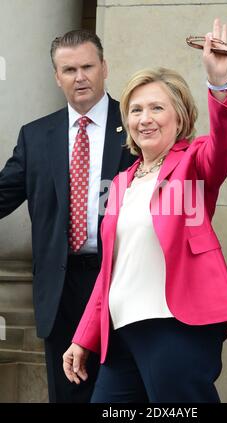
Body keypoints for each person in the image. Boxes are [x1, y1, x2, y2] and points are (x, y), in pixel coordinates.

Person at [62, 19, 227, 403]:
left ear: (178, 117)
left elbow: (224, 144)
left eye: (157, 108)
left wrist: (218, 83)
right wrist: (84, 337)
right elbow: (111, 272)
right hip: (120, 334)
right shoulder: (122, 182)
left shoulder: (194, 163)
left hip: (175, 326)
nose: (144, 119)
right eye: (136, 110)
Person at [0, 29, 135, 403]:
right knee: (68, 394)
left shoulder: (136, 126)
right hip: (59, 290)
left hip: (119, 283)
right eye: (69, 69)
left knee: (122, 395)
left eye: (88, 66)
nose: (80, 77)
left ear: (104, 68)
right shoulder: (36, 136)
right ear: (56, 77)